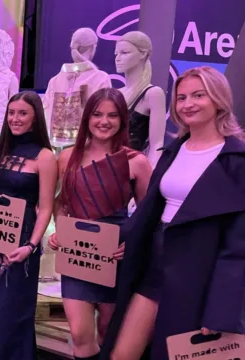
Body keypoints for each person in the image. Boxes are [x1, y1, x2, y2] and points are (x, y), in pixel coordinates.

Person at [101, 66, 245, 360]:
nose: (188, 104)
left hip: (199, 273)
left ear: (218, 99)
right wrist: (129, 239)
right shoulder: (173, 151)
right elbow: (151, 211)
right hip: (155, 263)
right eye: (181, 98)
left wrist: (222, 308)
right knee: (121, 353)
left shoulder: (237, 161)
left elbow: (238, 244)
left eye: (198, 95)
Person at [47, 88, 152, 360]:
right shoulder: (67, 157)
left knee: (108, 331)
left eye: (112, 115)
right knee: (81, 332)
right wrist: (60, 230)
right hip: (78, 251)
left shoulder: (137, 162)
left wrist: (131, 244)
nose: (104, 121)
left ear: (122, 120)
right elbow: (60, 202)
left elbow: (148, 216)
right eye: (97, 114)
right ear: (87, 118)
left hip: (115, 253)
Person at [0, 91, 57, 359]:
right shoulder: (2, 150)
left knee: (14, 313)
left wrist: (31, 246)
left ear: (35, 118)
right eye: (11, 113)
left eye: (22, 113)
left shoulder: (45, 156)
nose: (15, 118)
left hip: (22, 245)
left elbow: (46, 207)